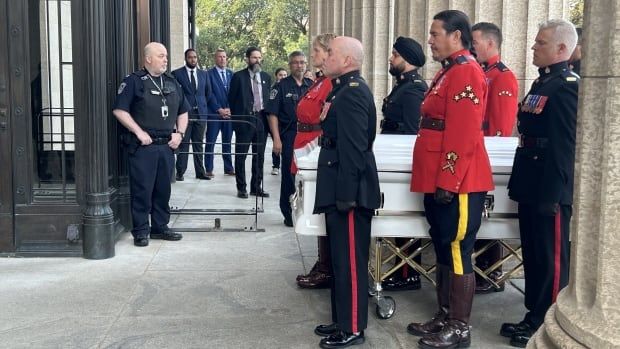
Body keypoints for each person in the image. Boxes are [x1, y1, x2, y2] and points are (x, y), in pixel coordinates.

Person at [406, 10, 494, 349]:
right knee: (443, 244)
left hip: (459, 180)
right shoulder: (449, 72)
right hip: (441, 176)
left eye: (435, 33)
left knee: (458, 249)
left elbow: (462, 133)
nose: (430, 40)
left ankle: (459, 328)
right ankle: (444, 314)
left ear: (456, 36)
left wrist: (449, 180)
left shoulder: (466, 72)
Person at [501, 19, 579, 348]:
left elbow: (565, 146)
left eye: (541, 43)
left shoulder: (567, 85)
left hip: (549, 185)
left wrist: (556, 192)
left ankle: (546, 322)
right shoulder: (543, 83)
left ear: (562, 49)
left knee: (551, 257)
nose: (533, 47)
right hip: (531, 179)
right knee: (533, 253)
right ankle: (533, 314)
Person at [312, 36, 380, 349]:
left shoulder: (352, 93)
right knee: (340, 260)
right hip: (338, 183)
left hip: (348, 189)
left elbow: (354, 149)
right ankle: (342, 320)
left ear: (348, 60)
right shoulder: (341, 88)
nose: (324, 58)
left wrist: (347, 194)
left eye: (331, 53)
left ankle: (353, 326)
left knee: (350, 262)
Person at [112, 42, 188, 247]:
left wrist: (179, 134)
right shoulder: (134, 82)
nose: (165, 59)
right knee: (142, 190)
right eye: (161, 56)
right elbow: (120, 110)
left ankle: (160, 227)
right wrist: (139, 132)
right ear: (148, 59)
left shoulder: (172, 82)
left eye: (166, 55)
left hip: (167, 146)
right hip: (143, 147)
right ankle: (141, 230)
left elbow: (183, 111)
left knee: (163, 190)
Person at [471, 22, 519, 294]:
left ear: (490, 43)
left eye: (475, 41)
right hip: (479, 151)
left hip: (490, 152)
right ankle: (481, 270)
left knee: (490, 215)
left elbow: (500, 125)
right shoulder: (482, 73)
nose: (471, 46)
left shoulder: (502, 76)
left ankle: (492, 272)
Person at [380, 36, 428, 292]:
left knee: (406, 220)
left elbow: (412, 133)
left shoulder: (414, 89)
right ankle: (401, 269)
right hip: (394, 157)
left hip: (404, 161)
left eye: (395, 55)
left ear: (407, 60)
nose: (391, 58)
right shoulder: (401, 85)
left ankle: (408, 273)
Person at [295, 33, 336, 290]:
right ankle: (323, 262)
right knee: (308, 202)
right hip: (304, 140)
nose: (312, 55)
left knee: (317, 205)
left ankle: (326, 266)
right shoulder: (319, 81)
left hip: (314, 141)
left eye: (317, 51)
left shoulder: (331, 83)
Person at [265, 52, 313, 227]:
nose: (299, 66)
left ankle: (305, 210)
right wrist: (276, 139)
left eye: (302, 62)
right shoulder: (281, 87)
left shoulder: (311, 85)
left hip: (308, 136)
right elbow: (272, 114)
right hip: (289, 135)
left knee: (307, 174)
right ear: (290, 65)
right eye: (295, 63)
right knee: (289, 175)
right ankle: (288, 213)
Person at [228, 47, 272, 198]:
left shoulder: (266, 77)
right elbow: (231, 101)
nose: (257, 61)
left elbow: (268, 100)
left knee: (259, 156)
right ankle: (242, 187)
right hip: (244, 121)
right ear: (247, 59)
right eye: (254, 58)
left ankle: (256, 187)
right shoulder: (238, 77)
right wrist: (236, 123)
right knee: (241, 155)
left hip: (261, 120)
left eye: (259, 58)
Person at [172, 48, 213, 181]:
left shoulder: (204, 74)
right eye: (190, 57)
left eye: (195, 57)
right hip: (185, 114)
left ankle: (200, 172)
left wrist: (202, 106)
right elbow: (175, 95)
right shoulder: (177, 74)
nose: (193, 59)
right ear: (186, 58)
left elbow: (208, 93)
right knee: (183, 143)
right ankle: (180, 172)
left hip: (201, 113)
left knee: (198, 143)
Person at [205, 48, 234, 178]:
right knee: (210, 141)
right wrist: (219, 109)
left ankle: (228, 168)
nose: (222, 59)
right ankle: (209, 168)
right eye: (220, 57)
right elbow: (209, 94)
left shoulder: (231, 74)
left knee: (227, 141)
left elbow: (234, 93)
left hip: (228, 114)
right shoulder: (208, 74)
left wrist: (229, 109)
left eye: (224, 57)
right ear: (215, 59)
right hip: (214, 114)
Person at [270, 68, 287, 176]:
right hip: (277, 122)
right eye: (280, 75)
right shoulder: (274, 89)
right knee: (277, 144)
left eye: (285, 75)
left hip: (286, 122)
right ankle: (276, 166)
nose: (283, 77)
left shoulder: (289, 86)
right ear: (276, 76)